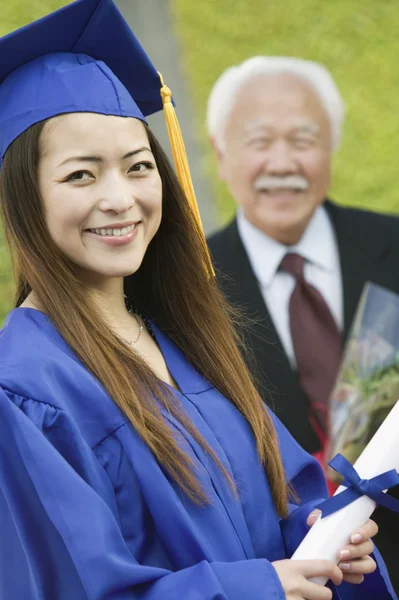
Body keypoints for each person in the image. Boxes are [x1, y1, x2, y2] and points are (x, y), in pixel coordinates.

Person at [0, 3, 395, 598]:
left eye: (138, 167)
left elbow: (282, 498)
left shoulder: (180, 338)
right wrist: (261, 587)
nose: (119, 198)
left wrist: (317, 539)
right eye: (81, 175)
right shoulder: (23, 390)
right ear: (22, 196)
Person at [206, 56, 399, 592]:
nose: (282, 161)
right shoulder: (187, 289)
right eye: (259, 140)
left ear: (330, 148)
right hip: (285, 575)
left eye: (304, 139)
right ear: (221, 154)